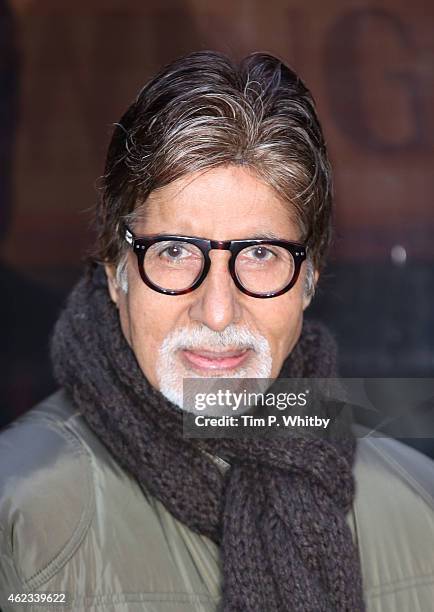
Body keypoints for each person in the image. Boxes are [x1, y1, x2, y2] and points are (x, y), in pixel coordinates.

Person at [0, 51, 433, 612]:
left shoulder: (423, 511)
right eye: (175, 251)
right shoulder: (20, 519)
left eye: (259, 253)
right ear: (115, 270)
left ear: (309, 280)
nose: (219, 311)